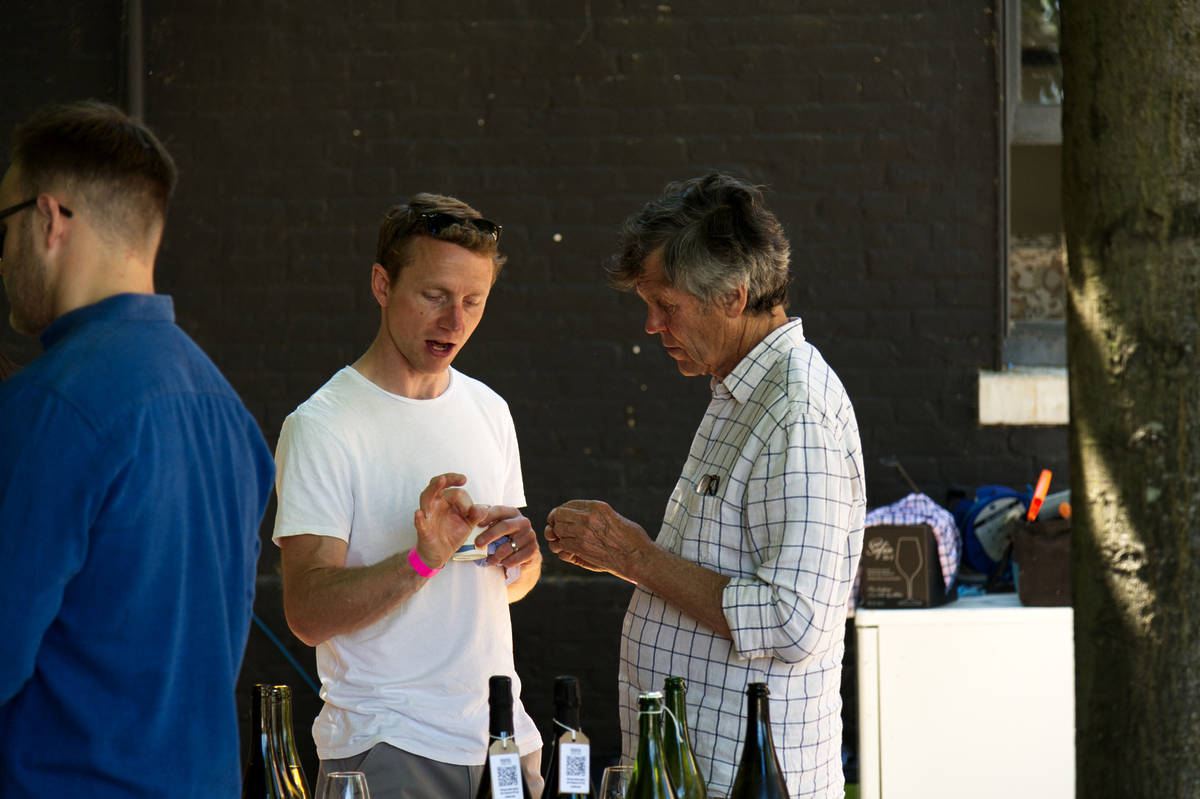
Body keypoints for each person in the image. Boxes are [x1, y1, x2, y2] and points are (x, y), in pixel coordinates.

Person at [544, 173, 866, 799]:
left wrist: (635, 558)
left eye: (666, 306)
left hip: (746, 779)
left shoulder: (794, 411)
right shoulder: (744, 387)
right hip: (702, 772)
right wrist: (631, 561)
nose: (651, 326)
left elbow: (795, 621)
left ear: (734, 297)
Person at [0, 101, 275, 796]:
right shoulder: (231, 415)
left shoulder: (50, 406)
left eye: (1, 228)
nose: (1, 257)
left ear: (49, 219)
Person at [273, 194, 544, 798]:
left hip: (503, 736)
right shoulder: (322, 425)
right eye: (434, 295)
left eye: (474, 301)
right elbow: (307, 612)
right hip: (387, 744)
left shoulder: (490, 410)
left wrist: (522, 559)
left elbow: (507, 588)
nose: (456, 321)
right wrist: (423, 559)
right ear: (381, 284)